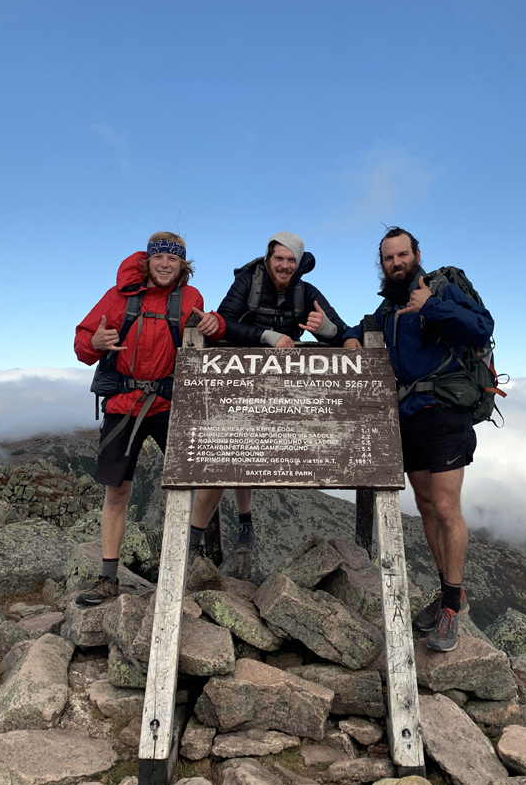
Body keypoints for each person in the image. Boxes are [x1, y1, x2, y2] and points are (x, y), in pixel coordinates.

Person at [343, 227, 494, 651]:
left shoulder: (440, 290)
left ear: (416, 254)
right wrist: (350, 335)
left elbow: (482, 328)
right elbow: (361, 326)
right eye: (388, 257)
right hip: (407, 415)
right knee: (426, 505)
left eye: (402, 255)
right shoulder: (388, 308)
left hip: (445, 410)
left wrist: (433, 307)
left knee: (446, 507)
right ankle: (451, 593)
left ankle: (451, 607)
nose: (396, 262)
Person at [74, 231, 225, 605]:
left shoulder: (190, 298)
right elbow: (82, 342)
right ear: (148, 260)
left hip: (169, 404)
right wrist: (93, 344)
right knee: (117, 491)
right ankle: (108, 578)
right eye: (159, 258)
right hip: (123, 405)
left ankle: (188, 550)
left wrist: (216, 324)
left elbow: (209, 334)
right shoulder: (118, 297)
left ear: (182, 265)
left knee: (205, 475)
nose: (164, 264)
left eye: (173, 259)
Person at [189, 231, 348, 563]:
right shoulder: (248, 282)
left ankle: (239, 527)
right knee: (224, 455)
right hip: (235, 380)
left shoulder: (306, 292)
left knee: (247, 452)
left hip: (277, 388)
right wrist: (267, 335)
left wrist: (327, 331)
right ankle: (195, 541)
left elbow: (343, 334)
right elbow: (222, 323)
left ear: (299, 263)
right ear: (268, 258)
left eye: (291, 260)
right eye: (279, 258)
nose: (285, 265)